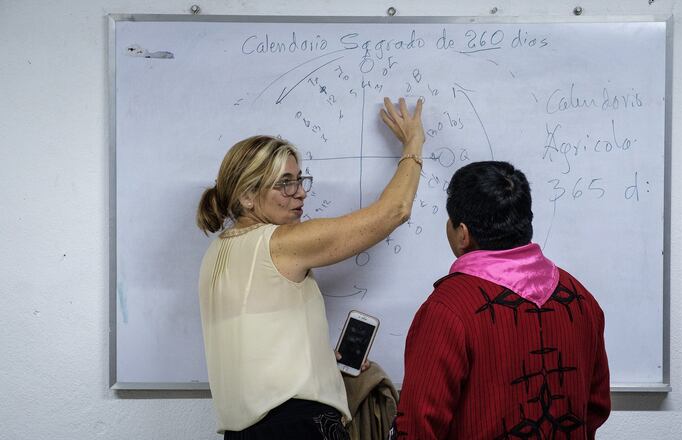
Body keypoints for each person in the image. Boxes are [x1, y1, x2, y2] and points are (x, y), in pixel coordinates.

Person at [195, 97, 424, 439]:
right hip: (298, 426)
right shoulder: (279, 242)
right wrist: (414, 143)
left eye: (300, 180)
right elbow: (394, 211)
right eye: (285, 183)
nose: (300, 193)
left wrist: (318, 363)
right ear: (246, 196)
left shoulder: (217, 253)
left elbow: (260, 343)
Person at [391, 161, 611, 439]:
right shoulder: (579, 298)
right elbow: (596, 407)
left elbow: (417, 426)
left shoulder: (447, 309)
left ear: (462, 234)